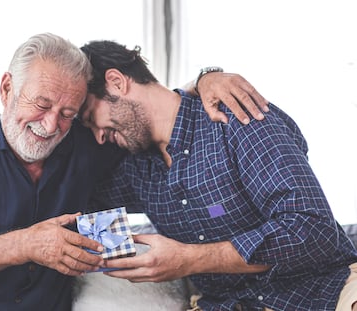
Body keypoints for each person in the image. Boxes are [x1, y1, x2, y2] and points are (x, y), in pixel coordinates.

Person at [0, 34, 270, 310]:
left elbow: (153, 110)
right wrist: (22, 246)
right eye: (41, 104)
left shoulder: (86, 142)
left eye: (69, 112)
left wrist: (206, 78)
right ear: (6, 88)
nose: (50, 125)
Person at [75, 41, 357, 311]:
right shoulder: (135, 171)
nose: (98, 137)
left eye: (90, 117)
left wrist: (190, 259)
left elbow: (313, 231)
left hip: (324, 292)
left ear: (116, 81)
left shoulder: (235, 118)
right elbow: (68, 202)